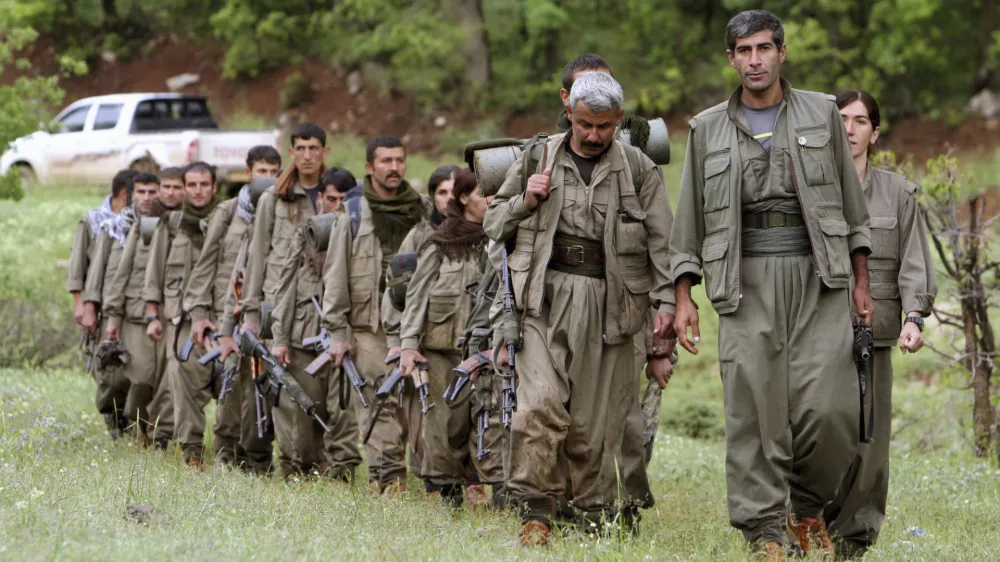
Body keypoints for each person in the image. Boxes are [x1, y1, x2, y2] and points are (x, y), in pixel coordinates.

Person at [669, 10, 874, 559]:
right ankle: (764, 528)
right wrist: (683, 296)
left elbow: (853, 209)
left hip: (819, 276)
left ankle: (806, 508)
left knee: (830, 409)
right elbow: (687, 217)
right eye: (744, 50)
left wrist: (861, 280)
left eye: (764, 48)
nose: (754, 60)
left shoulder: (822, 112)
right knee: (753, 409)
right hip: (745, 278)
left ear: (782, 53)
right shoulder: (707, 127)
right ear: (731, 58)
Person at [484, 71, 675, 545]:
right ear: (569, 112)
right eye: (585, 124)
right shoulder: (536, 156)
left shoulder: (637, 168)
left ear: (618, 121)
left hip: (612, 307)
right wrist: (525, 201)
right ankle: (534, 512)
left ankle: (590, 517)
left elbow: (664, 247)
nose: (593, 136)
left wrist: (667, 308)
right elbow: (492, 223)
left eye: (604, 127)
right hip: (542, 301)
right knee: (538, 408)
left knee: (593, 429)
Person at [822, 90, 937, 558]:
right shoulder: (812, 188)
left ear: (875, 130)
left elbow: (914, 262)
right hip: (816, 331)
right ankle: (808, 520)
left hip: (877, 331)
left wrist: (914, 318)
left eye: (860, 121)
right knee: (819, 428)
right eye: (841, 119)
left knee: (870, 439)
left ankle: (853, 537)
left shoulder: (898, 193)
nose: (850, 129)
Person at [319, 136, 429, 493]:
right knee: (378, 400)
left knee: (415, 405)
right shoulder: (352, 215)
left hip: (414, 325)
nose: (394, 167)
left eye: (399, 160)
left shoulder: (422, 211)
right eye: (385, 161)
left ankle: (434, 481)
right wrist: (338, 331)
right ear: (369, 167)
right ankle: (389, 478)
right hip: (368, 328)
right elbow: (334, 276)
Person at [184, 145, 282, 474]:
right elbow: (205, 264)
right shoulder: (227, 213)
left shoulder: (282, 212)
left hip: (265, 314)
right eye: (261, 171)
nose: (266, 178)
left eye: (273, 171)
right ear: (248, 171)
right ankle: (226, 449)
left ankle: (258, 455)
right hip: (227, 312)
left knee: (261, 387)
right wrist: (200, 314)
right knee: (230, 384)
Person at [398, 169, 492, 507]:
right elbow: (417, 295)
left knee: (486, 420)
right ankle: (445, 491)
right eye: (484, 194)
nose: (491, 201)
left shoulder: (499, 241)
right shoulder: (438, 242)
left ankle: (493, 488)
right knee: (442, 421)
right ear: (464, 198)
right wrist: (408, 344)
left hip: (487, 351)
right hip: (442, 349)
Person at [241, 123, 329, 479]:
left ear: (324, 151)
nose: (307, 155)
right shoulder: (273, 197)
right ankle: (292, 464)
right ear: (291, 152)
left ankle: (322, 458)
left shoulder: (334, 192)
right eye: (300, 148)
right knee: (285, 387)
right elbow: (258, 254)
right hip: (279, 305)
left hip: (325, 301)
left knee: (323, 388)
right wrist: (251, 312)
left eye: (314, 148)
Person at [270, 166, 362, 481]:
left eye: (344, 201)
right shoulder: (304, 233)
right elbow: (283, 288)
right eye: (332, 199)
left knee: (344, 411)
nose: (337, 207)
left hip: (346, 337)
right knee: (302, 408)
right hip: (304, 334)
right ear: (320, 198)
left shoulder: (358, 233)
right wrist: (279, 337)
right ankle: (298, 469)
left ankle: (342, 472)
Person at [142, 162, 230, 469]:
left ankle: (228, 450)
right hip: (181, 319)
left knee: (230, 385)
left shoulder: (229, 220)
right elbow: (154, 271)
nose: (198, 190)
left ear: (214, 187)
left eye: (204, 184)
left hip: (222, 316)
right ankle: (191, 449)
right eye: (191, 185)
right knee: (182, 382)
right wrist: (153, 314)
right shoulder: (172, 223)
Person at [101, 173, 172, 448]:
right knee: (140, 379)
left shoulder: (173, 224)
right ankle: (138, 424)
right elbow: (121, 274)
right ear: (131, 195)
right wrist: (113, 317)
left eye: (153, 192)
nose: (147, 198)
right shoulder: (132, 228)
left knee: (166, 381)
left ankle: (160, 435)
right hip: (135, 315)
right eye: (141, 192)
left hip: (169, 315)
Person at [79, 169, 136, 438]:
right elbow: (83, 267)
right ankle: (114, 421)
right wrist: (85, 304)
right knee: (106, 369)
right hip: (100, 302)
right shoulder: (97, 222)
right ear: (125, 194)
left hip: (129, 306)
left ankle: (134, 422)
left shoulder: (137, 223)